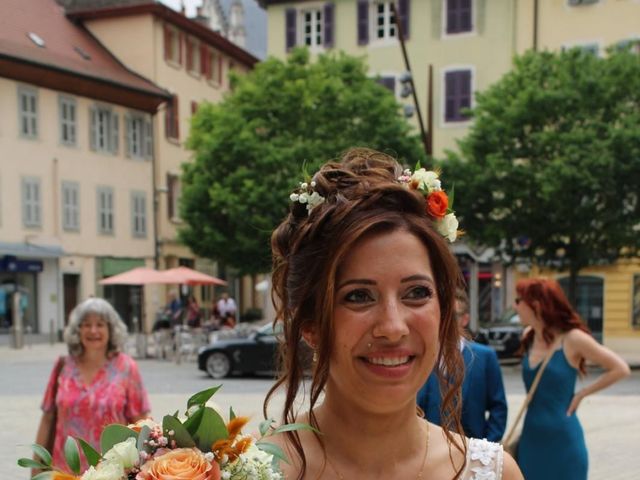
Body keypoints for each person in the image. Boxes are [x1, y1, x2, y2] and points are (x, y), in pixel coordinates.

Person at [264, 148, 522, 480]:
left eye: (416, 293)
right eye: (358, 296)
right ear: (311, 325)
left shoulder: (495, 474)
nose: (393, 327)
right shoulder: (254, 471)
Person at [514, 277, 631, 480]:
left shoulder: (573, 339)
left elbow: (620, 368)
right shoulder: (529, 335)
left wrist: (582, 394)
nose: (516, 307)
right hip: (531, 439)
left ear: (537, 305)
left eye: (519, 301)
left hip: (563, 442)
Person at [34, 298, 151, 474]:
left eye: (100, 324)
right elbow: (48, 418)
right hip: (64, 471)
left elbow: (141, 422)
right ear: (77, 330)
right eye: (86, 324)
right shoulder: (63, 366)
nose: (93, 330)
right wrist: (36, 470)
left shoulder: (126, 368)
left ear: (111, 330)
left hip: (111, 471)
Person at [417, 288, 508, 442]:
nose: (444, 320)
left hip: (472, 451)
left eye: (451, 315)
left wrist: (486, 447)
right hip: (428, 450)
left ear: (465, 319)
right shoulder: (421, 355)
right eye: (440, 313)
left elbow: (498, 407)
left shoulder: (485, 357)